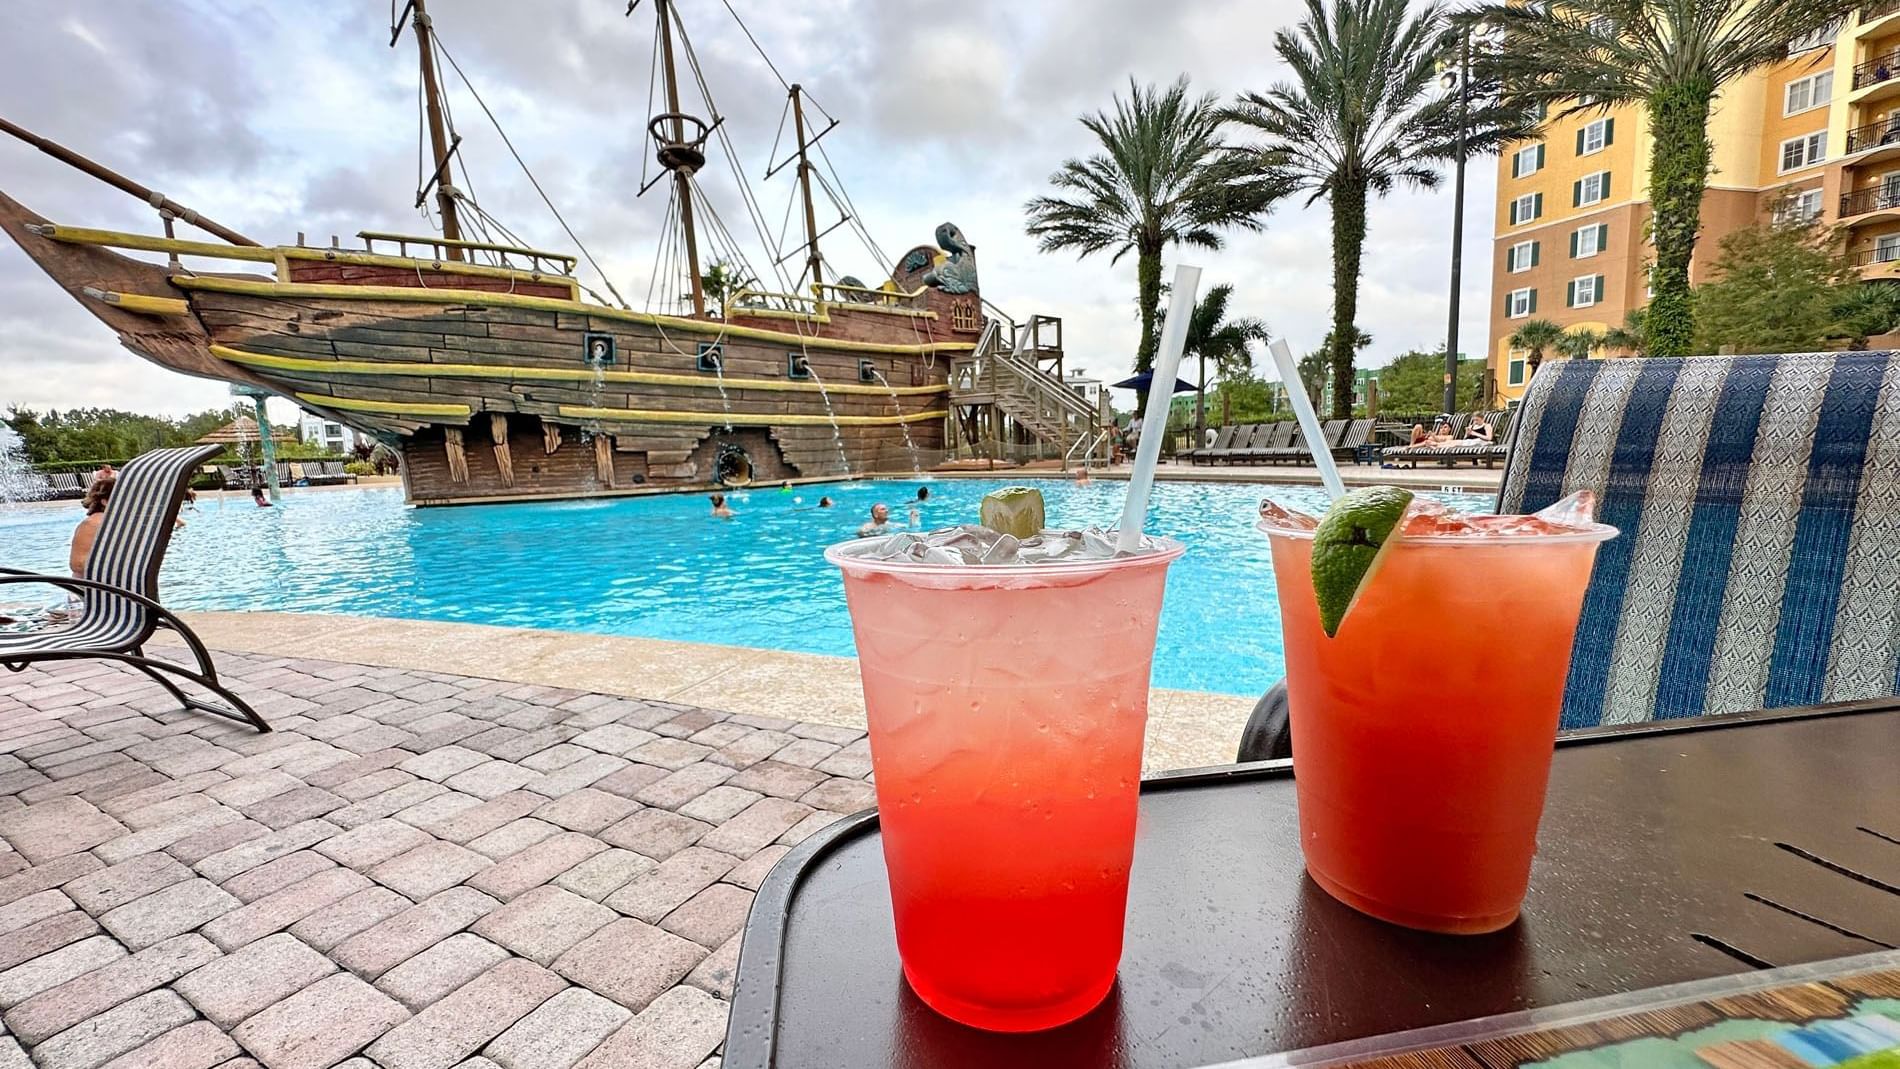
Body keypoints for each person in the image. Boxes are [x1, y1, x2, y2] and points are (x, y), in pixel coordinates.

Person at [69, 473, 114, 578]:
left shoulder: (118, 522)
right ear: (105, 502)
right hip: (90, 588)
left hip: (113, 587)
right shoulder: (93, 523)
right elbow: (77, 564)